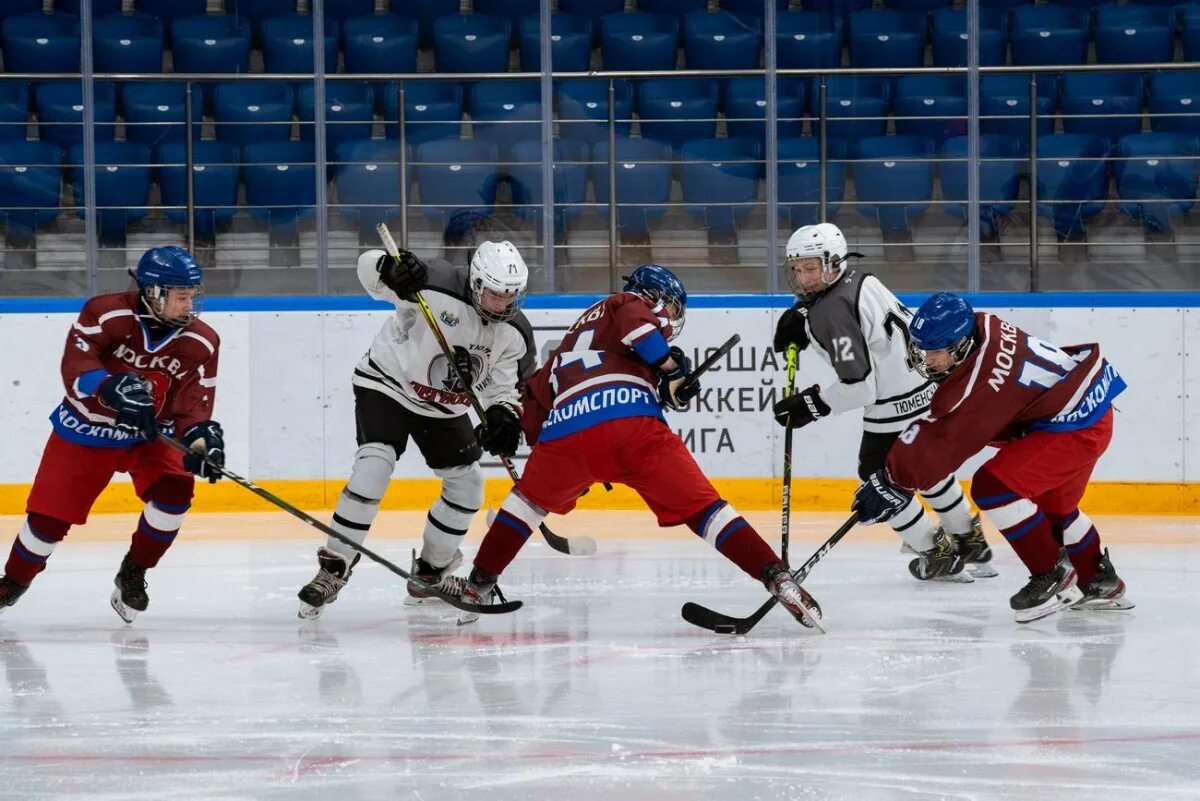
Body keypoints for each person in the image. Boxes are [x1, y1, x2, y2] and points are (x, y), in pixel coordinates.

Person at [437, 264, 823, 628]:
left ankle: (477, 586)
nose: (669, 315)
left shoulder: (565, 349)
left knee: (525, 505)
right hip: (632, 422)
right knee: (707, 511)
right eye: (669, 306)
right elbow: (638, 329)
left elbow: (535, 414)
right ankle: (776, 577)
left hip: (565, 434)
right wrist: (671, 371)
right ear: (653, 296)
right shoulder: (623, 303)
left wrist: (526, 446)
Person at [851, 292, 1134, 623]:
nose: (927, 361)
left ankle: (1050, 575)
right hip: (1084, 410)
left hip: (1073, 427)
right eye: (923, 350)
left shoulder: (980, 379)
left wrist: (893, 479)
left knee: (992, 487)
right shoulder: (981, 326)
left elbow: (945, 436)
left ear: (961, 344)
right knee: (1055, 507)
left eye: (936, 352)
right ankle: (1100, 580)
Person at [297, 241, 535, 620]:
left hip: (444, 407)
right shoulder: (433, 283)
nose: (502, 304)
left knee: (469, 485)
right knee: (374, 465)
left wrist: (504, 416)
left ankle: (429, 574)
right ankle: (334, 567)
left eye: (510, 296)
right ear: (475, 283)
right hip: (388, 385)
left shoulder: (514, 334)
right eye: (494, 293)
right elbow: (367, 269)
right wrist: (388, 268)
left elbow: (502, 389)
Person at [0, 246, 224, 623]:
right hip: (87, 429)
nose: (190, 305)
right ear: (153, 292)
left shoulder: (203, 341)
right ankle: (13, 583)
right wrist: (108, 387)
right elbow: (76, 365)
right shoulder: (105, 313)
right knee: (48, 524)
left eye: (192, 296)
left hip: (150, 436)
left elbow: (193, 403)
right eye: (181, 296)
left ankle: (133, 571)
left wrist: (200, 438)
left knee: (175, 493)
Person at [771, 223, 992, 582]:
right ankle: (971, 544)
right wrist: (805, 319)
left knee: (876, 483)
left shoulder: (829, 312)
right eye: (797, 268)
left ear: (833, 262)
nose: (802, 277)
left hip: (892, 407)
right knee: (928, 471)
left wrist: (811, 404)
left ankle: (937, 555)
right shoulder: (862, 280)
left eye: (811, 268)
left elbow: (861, 388)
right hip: (927, 392)